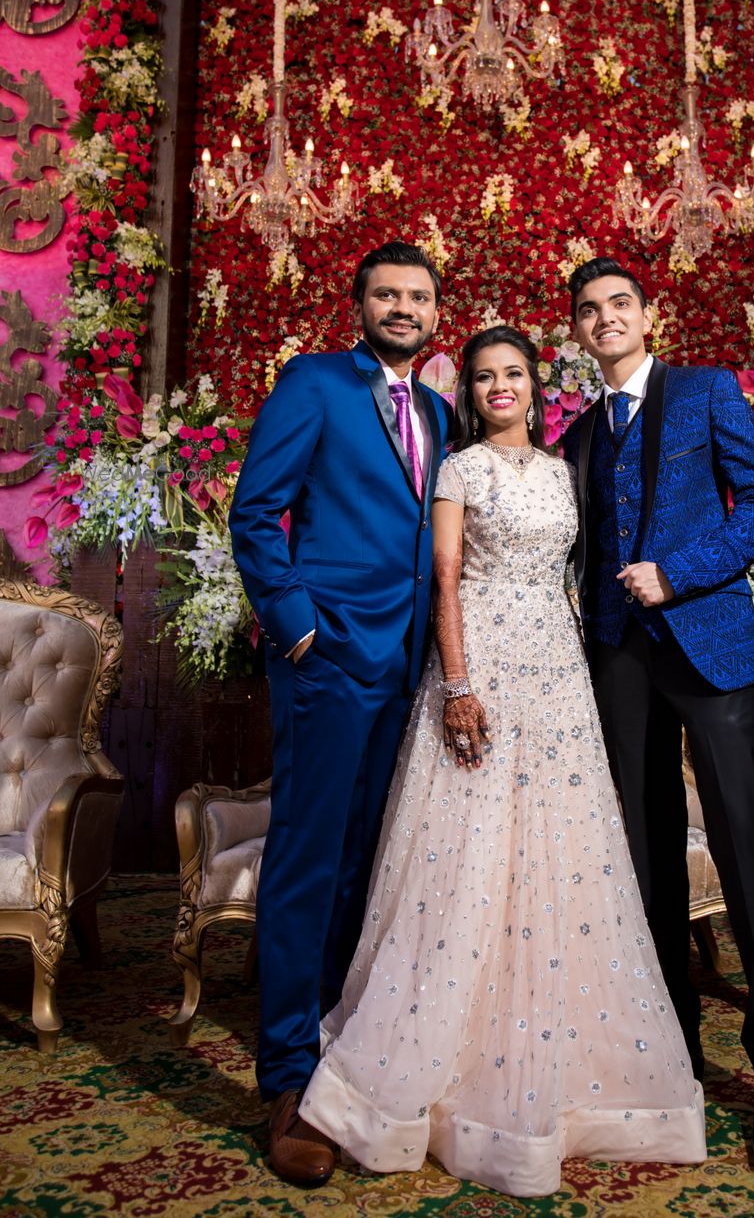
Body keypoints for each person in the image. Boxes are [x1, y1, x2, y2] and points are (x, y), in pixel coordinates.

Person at [297, 325, 706, 1198]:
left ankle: (567, 1069)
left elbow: (578, 572)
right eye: (483, 377)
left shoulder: (565, 471)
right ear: (471, 392)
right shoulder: (460, 469)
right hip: (479, 652)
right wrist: (456, 684)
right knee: (466, 849)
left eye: (513, 373)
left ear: (534, 382)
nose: (499, 387)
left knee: (560, 853)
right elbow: (444, 578)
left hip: (555, 669)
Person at [561, 257, 754, 1171]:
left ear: (646, 313)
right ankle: (677, 1059)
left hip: (706, 643)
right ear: (578, 332)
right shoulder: (580, 436)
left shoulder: (707, 391)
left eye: (618, 304)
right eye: (588, 312)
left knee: (746, 847)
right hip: (618, 663)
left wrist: (678, 572)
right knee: (645, 857)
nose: (605, 320)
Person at [228, 241, 453, 1186]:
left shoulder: (444, 410)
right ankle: (285, 1078)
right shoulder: (315, 384)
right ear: (359, 304)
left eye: (418, 296)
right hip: (327, 662)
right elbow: (255, 510)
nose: (403, 308)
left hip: (409, 670)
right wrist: (296, 629)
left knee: (369, 864)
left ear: (438, 311)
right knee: (308, 862)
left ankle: (341, 1058)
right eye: (387, 294)